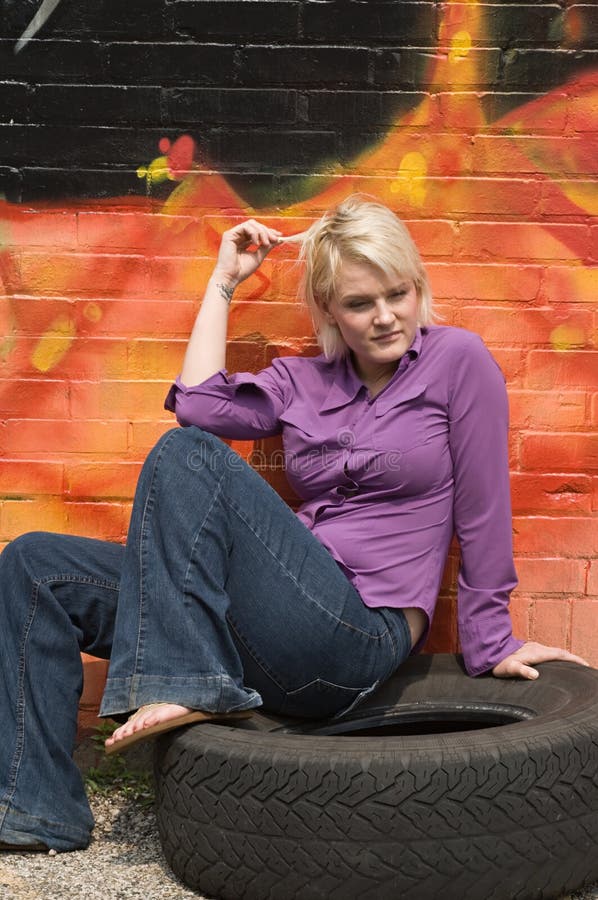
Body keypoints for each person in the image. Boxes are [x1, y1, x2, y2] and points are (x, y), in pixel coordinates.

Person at [0, 196, 589, 853]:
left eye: (399, 293)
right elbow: (199, 407)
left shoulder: (459, 362)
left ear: (418, 287)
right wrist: (223, 282)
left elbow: (483, 508)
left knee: (185, 458)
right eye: (361, 303)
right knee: (33, 566)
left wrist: (492, 640)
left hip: (355, 634)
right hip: (276, 620)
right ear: (331, 310)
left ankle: (188, 680)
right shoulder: (302, 380)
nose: (386, 316)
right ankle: (37, 808)